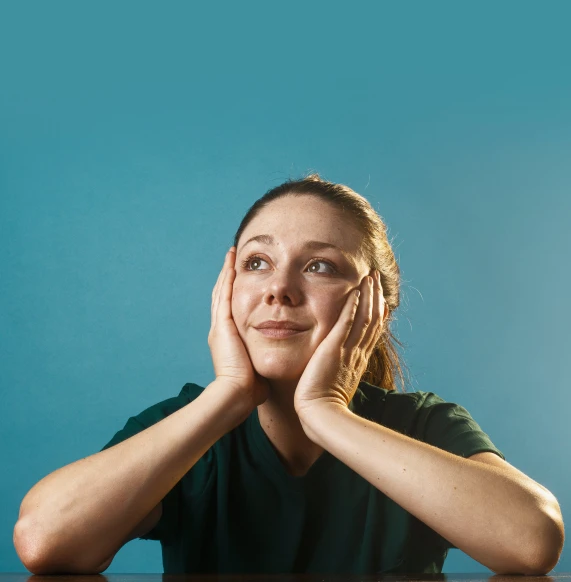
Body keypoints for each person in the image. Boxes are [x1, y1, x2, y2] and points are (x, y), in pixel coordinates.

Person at [14, 174, 564, 575]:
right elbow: (43, 541)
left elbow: (532, 540)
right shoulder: (186, 427)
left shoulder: (421, 424)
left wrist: (326, 413)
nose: (279, 288)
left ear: (374, 306)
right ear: (227, 291)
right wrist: (228, 395)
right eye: (256, 263)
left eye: (318, 265)